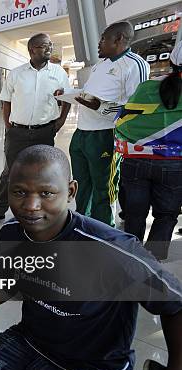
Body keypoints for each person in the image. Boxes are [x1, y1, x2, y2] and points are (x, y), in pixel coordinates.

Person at [0, 145, 182, 370]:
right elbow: (13, 281)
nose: (31, 206)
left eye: (46, 193)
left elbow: (175, 305)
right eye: (19, 192)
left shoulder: (114, 249)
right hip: (29, 342)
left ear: (70, 192)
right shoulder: (12, 233)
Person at [0, 32, 71, 224]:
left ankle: (37, 209)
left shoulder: (58, 73)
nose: (49, 48)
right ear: (32, 49)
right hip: (17, 132)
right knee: (10, 172)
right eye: (44, 45)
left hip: (45, 131)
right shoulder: (16, 73)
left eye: (50, 45)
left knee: (42, 172)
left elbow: (68, 98)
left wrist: (61, 121)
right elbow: (6, 101)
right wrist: (9, 126)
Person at [70, 21, 149, 227]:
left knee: (104, 188)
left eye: (103, 39)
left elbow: (135, 108)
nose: (99, 44)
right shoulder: (100, 65)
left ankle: (103, 230)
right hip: (81, 133)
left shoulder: (135, 64)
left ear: (119, 39)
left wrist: (100, 106)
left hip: (105, 135)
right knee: (81, 184)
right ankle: (83, 224)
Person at [114, 41, 182, 260]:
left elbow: (122, 122)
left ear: (172, 62)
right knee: (167, 214)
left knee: (134, 212)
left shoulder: (147, 87)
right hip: (175, 165)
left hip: (136, 161)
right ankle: (154, 258)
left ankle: (132, 256)